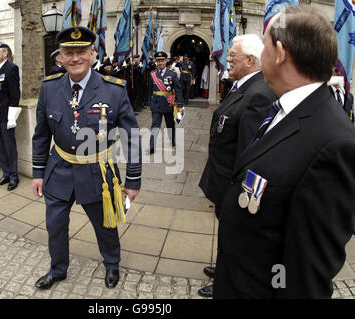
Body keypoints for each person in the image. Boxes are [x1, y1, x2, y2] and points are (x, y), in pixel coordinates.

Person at [213, 6, 355, 299]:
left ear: (279, 53)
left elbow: (305, 278)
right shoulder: (282, 107)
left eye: (264, 46)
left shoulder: (334, 143)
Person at [32, 26, 141, 290]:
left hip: (98, 172)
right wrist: (37, 173)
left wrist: (133, 180)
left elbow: (132, 137)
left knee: (106, 224)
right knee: (55, 225)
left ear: (93, 54)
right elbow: (41, 134)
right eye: (69, 52)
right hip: (59, 169)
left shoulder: (113, 90)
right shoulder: (49, 88)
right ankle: (58, 268)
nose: (75, 58)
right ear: (60, 57)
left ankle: (112, 264)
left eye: (81, 51)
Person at [197, 34, 277, 298]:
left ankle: (226, 281)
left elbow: (249, 153)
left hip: (234, 185)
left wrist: (237, 194)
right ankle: (223, 268)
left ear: (251, 60)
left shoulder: (259, 94)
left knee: (236, 239)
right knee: (227, 235)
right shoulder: (244, 85)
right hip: (223, 180)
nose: (227, 59)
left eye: (233, 55)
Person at [0, 42, 21, 190]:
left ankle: (14, 176)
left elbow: (15, 95)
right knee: (0, 147)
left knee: (9, 147)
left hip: (6, 115)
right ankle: (6, 173)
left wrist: (12, 116)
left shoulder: (11, 68)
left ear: (5, 54)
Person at [147, 51, 184, 154]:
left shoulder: (172, 74)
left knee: (170, 125)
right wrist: (149, 102)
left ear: (165, 61)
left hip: (168, 104)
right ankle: (151, 146)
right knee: (155, 125)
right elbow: (149, 90)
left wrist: (180, 105)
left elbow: (178, 90)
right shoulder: (152, 74)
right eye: (158, 61)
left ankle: (172, 140)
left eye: (162, 61)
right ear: (156, 62)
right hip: (156, 104)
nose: (160, 63)